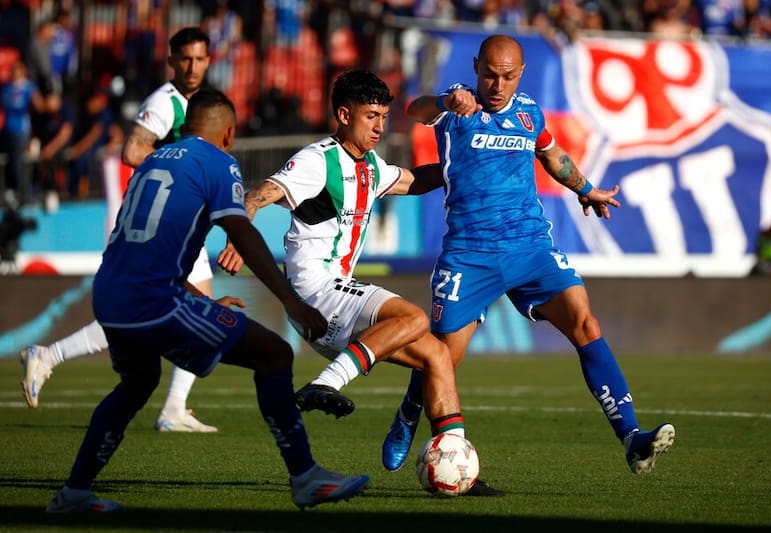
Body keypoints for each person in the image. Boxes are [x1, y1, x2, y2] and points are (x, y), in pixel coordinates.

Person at [45, 88, 369, 513]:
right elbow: (242, 231)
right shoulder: (218, 162)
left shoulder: (152, 161)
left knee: (138, 383)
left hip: (110, 293)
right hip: (155, 300)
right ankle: (306, 477)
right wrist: (290, 300)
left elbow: (151, 247)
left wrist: (202, 300)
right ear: (229, 133)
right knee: (273, 354)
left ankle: (73, 494)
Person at [379, 34, 676, 480]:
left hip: (530, 247)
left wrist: (586, 189)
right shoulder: (455, 107)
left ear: (520, 74)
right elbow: (414, 111)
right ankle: (407, 413)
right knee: (441, 359)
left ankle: (632, 438)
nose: (497, 85)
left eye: (508, 77)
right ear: (476, 66)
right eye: (489, 75)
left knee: (585, 323)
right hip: (469, 255)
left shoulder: (528, 112)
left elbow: (550, 152)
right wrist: (445, 98)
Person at [216, 69, 497, 495]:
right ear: (344, 115)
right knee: (414, 317)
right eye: (371, 116)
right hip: (316, 292)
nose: (381, 126)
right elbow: (262, 192)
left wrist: (462, 166)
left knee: (437, 356)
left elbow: (411, 181)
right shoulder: (318, 160)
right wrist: (241, 232)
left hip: (334, 303)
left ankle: (456, 465)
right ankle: (326, 382)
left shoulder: (370, 166)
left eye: (384, 116)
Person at [20, 27, 218, 433]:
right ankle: (168, 407)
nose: (193, 66)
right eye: (185, 59)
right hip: (164, 222)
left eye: (199, 59)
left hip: (180, 219)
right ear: (171, 61)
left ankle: (173, 407)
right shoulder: (164, 103)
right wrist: (180, 165)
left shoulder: (198, 103)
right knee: (179, 313)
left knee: (182, 312)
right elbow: (132, 151)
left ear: (209, 61)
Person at [1, 60, 45, 205]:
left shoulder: (28, 87)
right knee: (9, 161)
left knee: (17, 161)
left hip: (20, 129)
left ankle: (23, 193)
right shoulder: (6, 88)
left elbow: (39, 106)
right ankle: (9, 190)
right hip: (6, 128)